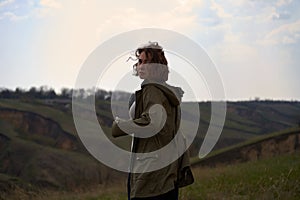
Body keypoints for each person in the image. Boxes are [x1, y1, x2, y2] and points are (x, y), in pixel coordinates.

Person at [112, 42, 193, 200]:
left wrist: (120, 126)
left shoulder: (152, 90)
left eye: (146, 62)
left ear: (157, 66)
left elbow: (153, 123)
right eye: (140, 61)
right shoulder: (166, 90)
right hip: (167, 169)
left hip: (151, 170)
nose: (141, 66)